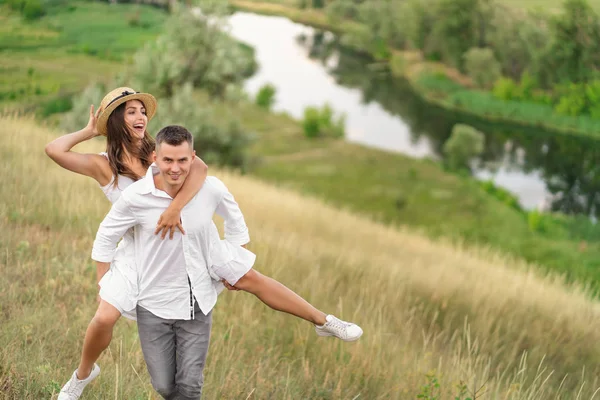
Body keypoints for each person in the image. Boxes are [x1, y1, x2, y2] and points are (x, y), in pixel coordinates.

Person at [48, 89, 362, 400]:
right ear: (115, 120)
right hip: (140, 250)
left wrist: (174, 208)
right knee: (104, 317)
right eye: (130, 111)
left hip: (191, 236)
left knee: (251, 278)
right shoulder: (104, 166)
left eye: (142, 110)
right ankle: (83, 375)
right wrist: (89, 130)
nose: (140, 116)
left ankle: (324, 321)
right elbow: (54, 149)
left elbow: (199, 168)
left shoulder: (160, 151)